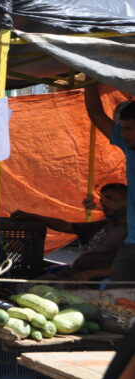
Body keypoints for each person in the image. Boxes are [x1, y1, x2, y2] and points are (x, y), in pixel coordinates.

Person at [11, 183, 128, 284]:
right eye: (102, 200)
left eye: (109, 198)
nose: (104, 203)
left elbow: (127, 267)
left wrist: (89, 275)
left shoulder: (129, 232)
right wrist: (33, 216)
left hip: (92, 283)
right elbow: (67, 226)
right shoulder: (102, 225)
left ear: (127, 201)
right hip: (72, 275)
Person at [84, 85, 135, 283]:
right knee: (117, 302)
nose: (123, 134)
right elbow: (96, 114)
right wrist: (88, 80)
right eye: (122, 129)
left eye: (128, 129)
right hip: (131, 245)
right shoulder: (130, 149)